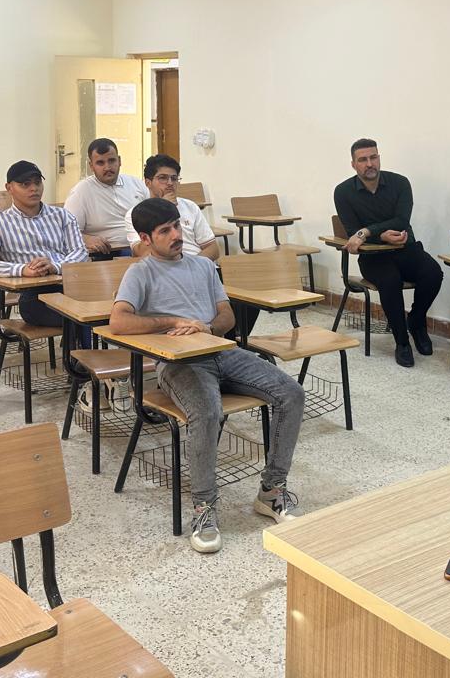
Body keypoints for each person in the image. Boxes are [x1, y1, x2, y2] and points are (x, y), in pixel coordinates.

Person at [109, 198, 305, 555]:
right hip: (179, 364)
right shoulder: (140, 273)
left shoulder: (202, 266)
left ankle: (271, 491)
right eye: (165, 231)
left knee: (291, 393)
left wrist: (207, 327)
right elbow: (119, 322)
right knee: (207, 411)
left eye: (177, 226)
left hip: (221, 352)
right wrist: (172, 320)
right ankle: (204, 507)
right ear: (145, 239)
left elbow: (227, 316)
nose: (176, 235)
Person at [333, 138, 442, 367]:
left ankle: (416, 321)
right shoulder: (343, 192)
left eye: (373, 157)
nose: (369, 164)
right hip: (372, 257)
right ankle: (402, 342)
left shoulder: (400, 183)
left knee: (433, 272)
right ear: (353, 164)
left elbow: (402, 220)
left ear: (379, 158)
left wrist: (367, 231)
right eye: (363, 159)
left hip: (405, 249)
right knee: (390, 281)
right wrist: (379, 235)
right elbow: (352, 232)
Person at [0, 160, 90, 332]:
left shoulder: (62, 216)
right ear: (9, 188)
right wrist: (21, 269)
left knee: (96, 311)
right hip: (34, 295)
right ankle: (76, 349)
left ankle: (76, 348)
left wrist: (55, 266)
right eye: (25, 184)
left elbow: (81, 252)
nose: (34, 189)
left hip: (71, 285)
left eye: (38, 183)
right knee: (77, 317)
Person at [123, 154, 220, 260]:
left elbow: (213, 249)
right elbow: (142, 253)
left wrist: (193, 265)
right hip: (162, 267)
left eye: (174, 178)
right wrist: (160, 209)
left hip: (196, 261)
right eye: (162, 178)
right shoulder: (135, 213)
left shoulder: (190, 206)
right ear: (148, 183)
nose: (170, 183)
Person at [63, 138, 148, 257]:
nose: (107, 167)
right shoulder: (80, 192)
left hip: (144, 246)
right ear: (91, 166)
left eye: (111, 161)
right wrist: (86, 239)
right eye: (100, 163)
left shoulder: (136, 184)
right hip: (108, 253)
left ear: (119, 161)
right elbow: (65, 231)